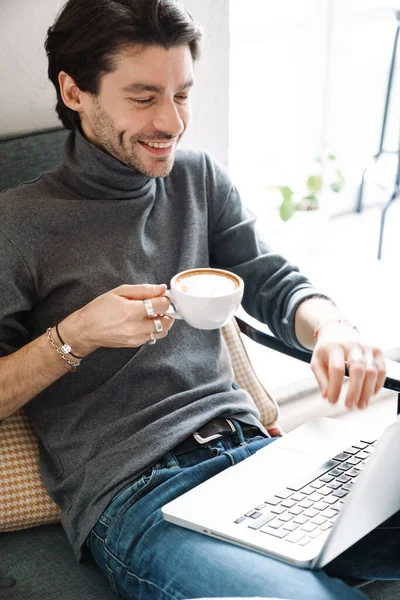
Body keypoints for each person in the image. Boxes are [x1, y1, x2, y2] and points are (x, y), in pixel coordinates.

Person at [0, 1, 398, 599]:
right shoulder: (19, 224)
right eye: (143, 98)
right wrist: (74, 335)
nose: (174, 121)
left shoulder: (197, 178)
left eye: (182, 94)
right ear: (75, 91)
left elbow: (272, 281)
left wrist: (335, 328)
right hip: (141, 498)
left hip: (260, 459)